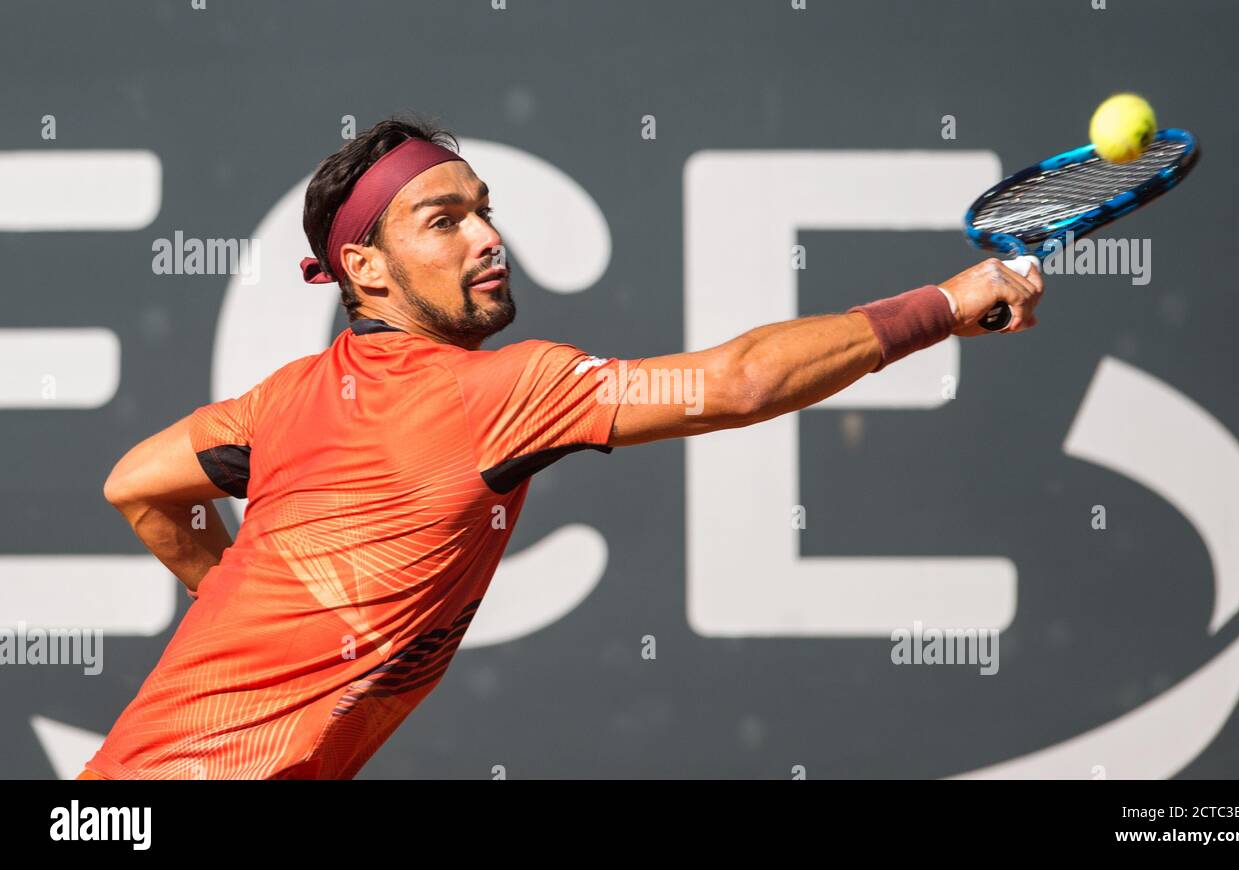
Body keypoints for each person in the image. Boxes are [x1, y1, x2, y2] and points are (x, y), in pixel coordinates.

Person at [80, 115, 1043, 780]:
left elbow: (138, 485)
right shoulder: (502, 390)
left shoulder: (282, 402)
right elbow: (737, 385)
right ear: (364, 271)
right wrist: (943, 307)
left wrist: (243, 610)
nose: (489, 238)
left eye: (485, 210)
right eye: (445, 221)